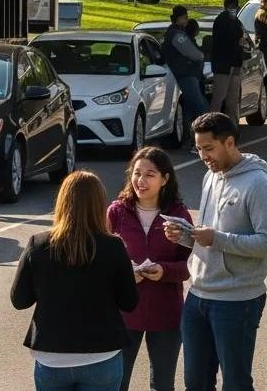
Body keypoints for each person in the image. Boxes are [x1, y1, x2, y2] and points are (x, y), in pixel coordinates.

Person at [163, 112, 267, 391]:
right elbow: (207, 237)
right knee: (195, 382)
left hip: (237, 301)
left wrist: (217, 239)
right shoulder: (211, 177)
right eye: (199, 148)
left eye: (209, 148)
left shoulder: (259, 184)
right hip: (198, 294)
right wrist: (184, 236)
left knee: (236, 383)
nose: (203, 156)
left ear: (230, 142)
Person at [11, 171, 139, 391]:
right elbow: (129, 302)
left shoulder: (38, 244)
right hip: (102, 354)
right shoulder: (113, 247)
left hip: (52, 356)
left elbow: (20, 300)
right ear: (99, 204)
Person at [107, 147, 193, 391]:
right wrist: (124, 275)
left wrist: (164, 270)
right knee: (116, 382)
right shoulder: (116, 212)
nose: (140, 181)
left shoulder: (178, 215)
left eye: (150, 174)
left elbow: (191, 265)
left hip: (166, 312)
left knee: (163, 384)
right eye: (136, 173)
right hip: (124, 312)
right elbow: (102, 263)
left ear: (165, 179)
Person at [162, 5, 208, 127]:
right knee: (201, 109)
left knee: (189, 111)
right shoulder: (177, 35)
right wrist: (201, 56)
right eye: (184, 18)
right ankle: (205, 137)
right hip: (185, 75)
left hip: (183, 75)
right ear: (178, 19)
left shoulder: (174, 33)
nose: (186, 21)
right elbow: (194, 54)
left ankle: (190, 139)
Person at [211, 0, 247, 123]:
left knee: (233, 100)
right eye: (231, 7)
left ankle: (232, 127)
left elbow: (241, 40)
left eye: (234, 7)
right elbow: (222, 42)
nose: (233, 10)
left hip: (235, 63)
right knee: (219, 97)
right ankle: (212, 126)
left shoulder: (237, 22)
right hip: (223, 65)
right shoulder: (221, 20)